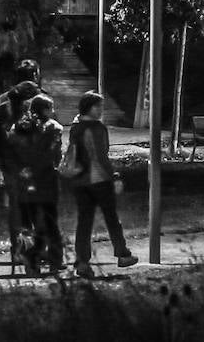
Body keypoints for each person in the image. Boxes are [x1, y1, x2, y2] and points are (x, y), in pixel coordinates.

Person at [66, 91, 138, 278]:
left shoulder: (76, 127)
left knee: (84, 222)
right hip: (98, 179)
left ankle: (82, 262)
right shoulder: (96, 128)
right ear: (89, 107)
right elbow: (100, 156)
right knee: (111, 218)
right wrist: (114, 176)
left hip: (79, 181)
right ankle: (122, 254)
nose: (101, 110)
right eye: (98, 106)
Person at [7, 93, 64, 275]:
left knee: (27, 224)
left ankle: (29, 259)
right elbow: (53, 156)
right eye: (51, 107)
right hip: (45, 181)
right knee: (50, 223)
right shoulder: (53, 129)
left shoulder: (18, 128)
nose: (53, 111)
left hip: (24, 183)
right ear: (45, 109)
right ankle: (54, 260)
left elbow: (11, 154)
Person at [0, 76, 42, 258]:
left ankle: (21, 249)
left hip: (10, 164)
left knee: (18, 208)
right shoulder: (22, 111)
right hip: (22, 165)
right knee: (29, 207)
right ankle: (29, 249)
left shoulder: (2, 104)